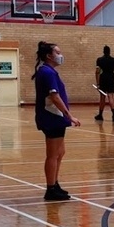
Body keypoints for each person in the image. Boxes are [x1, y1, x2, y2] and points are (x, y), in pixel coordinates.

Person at [33, 40, 79, 201]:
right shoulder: (47, 72)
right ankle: (50, 189)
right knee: (52, 154)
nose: (60, 56)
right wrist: (69, 116)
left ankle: (55, 183)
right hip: (52, 117)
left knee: (60, 152)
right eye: (57, 53)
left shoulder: (48, 71)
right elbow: (54, 96)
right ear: (49, 56)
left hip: (56, 118)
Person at [94, 45, 114, 122]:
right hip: (111, 79)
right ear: (109, 51)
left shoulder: (99, 60)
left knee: (102, 97)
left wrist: (98, 83)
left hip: (103, 79)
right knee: (111, 97)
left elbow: (97, 72)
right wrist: (113, 76)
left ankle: (100, 115)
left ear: (103, 51)